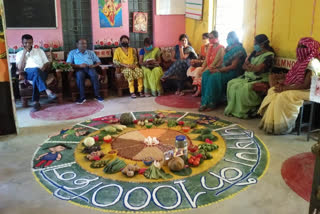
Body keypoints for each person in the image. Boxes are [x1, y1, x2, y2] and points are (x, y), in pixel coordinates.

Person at [258, 37, 320, 134]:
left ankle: (282, 127)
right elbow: (294, 78)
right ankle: (272, 123)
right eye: (298, 46)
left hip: (311, 91)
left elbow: (306, 85)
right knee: (273, 91)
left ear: (310, 49)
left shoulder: (312, 62)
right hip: (300, 88)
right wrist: (282, 85)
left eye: (302, 47)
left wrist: (285, 89)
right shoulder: (301, 61)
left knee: (283, 96)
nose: (299, 49)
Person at [224, 34, 275, 118]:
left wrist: (250, 67)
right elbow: (244, 66)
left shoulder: (269, 55)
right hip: (248, 77)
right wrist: (250, 67)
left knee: (245, 88)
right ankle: (234, 110)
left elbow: (258, 69)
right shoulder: (254, 53)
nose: (254, 45)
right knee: (232, 83)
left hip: (261, 78)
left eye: (255, 43)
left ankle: (248, 111)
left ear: (262, 44)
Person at [199, 31, 247, 111]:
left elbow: (233, 66)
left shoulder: (238, 49)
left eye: (229, 38)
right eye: (227, 38)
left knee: (214, 77)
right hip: (224, 69)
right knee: (206, 73)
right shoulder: (228, 47)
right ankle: (205, 101)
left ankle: (212, 102)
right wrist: (215, 67)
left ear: (234, 38)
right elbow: (222, 61)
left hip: (233, 72)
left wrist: (218, 70)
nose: (227, 39)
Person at [16, 34, 57, 112]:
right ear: (22, 43)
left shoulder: (39, 51)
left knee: (36, 76)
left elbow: (46, 63)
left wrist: (44, 67)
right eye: (25, 43)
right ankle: (47, 91)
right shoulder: (19, 54)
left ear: (32, 42)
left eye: (30, 42)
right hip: (28, 73)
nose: (28, 44)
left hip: (42, 72)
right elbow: (20, 68)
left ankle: (36, 102)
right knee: (35, 70)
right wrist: (24, 54)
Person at [67, 38, 103, 104]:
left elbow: (98, 62)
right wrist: (79, 66)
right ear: (77, 44)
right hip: (79, 69)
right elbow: (68, 64)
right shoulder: (72, 52)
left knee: (94, 75)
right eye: (82, 43)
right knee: (80, 76)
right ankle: (82, 97)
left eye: (85, 44)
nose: (84, 45)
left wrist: (93, 66)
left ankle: (97, 95)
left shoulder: (90, 52)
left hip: (90, 68)